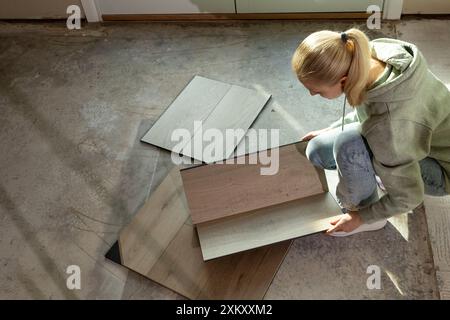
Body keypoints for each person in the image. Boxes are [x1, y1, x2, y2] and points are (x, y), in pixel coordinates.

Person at [291, 28, 450, 236]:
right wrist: (330, 129)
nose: (312, 94)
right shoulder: (368, 54)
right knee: (318, 149)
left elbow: (410, 197)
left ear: (344, 80)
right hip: (416, 136)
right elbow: (372, 111)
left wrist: (360, 217)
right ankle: (384, 171)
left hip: (443, 170)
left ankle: (367, 211)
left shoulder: (390, 126)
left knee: (349, 145)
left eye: (317, 91)